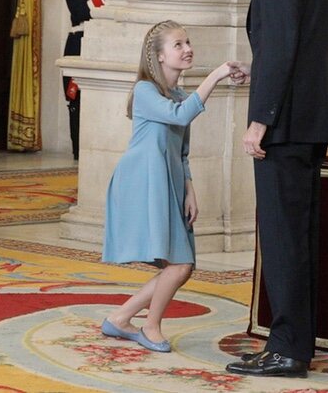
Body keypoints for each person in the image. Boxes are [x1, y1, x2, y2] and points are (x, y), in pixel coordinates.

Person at [225, 0, 328, 379]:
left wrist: (260, 120)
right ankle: (296, 343)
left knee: (282, 238)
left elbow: (277, 47)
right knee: (301, 236)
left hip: (284, 126)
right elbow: (324, 48)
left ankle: (288, 349)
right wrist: (269, 73)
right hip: (313, 119)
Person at [101, 20, 236, 353]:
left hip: (169, 180)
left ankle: (121, 318)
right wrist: (216, 75)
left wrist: (189, 189)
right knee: (180, 264)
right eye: (178, 44)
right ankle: (150, 326)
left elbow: (182, 150)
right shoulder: (146, 91)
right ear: (159, 56)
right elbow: (179, 116)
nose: (187, 48)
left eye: (187, 42)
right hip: (143, 181)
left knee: (181, 266)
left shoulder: (178, 94)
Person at [63, 0, 107, 160]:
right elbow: (80, 12)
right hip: (81, 41)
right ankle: (80, 151)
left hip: (106, 42)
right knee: (78, 100)